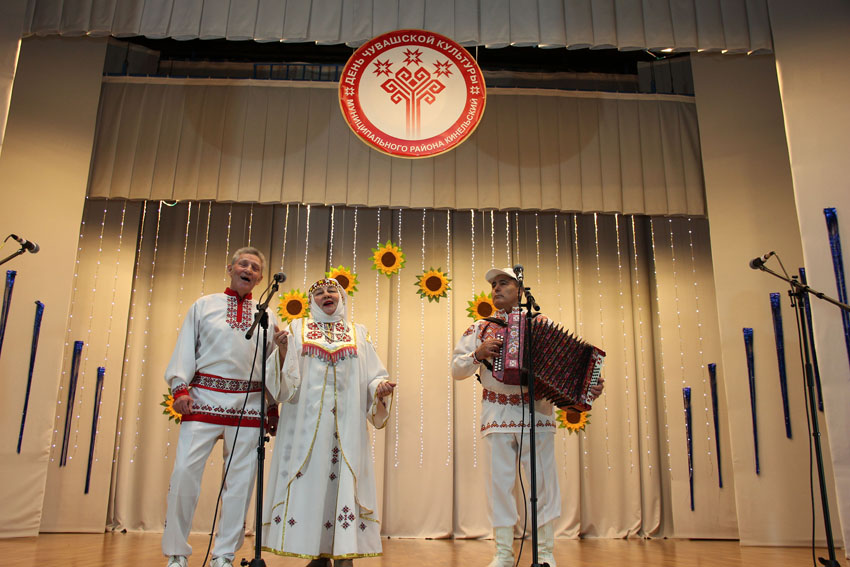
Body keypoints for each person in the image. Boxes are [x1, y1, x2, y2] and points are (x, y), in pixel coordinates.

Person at [452, 267, 604, 567]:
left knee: (544, 485)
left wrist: (586, 386)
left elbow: (567, 366)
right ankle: (504, 554)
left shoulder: (542, 324)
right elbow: (457, 370)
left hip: (539, 416)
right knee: (499, 485)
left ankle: (545, 554)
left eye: (504, 283)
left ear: (520, 290)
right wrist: (478, 354)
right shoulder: (480, 328)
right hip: (496, 416)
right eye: (493, 285)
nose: (496, 289)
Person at [263, 277, 396, 567]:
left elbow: (373, 374)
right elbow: (283, 382)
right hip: (306, 427)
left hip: (346, 428)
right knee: (313, 483)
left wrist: (380, 388)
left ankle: (344, 553)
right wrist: (283, 350)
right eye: (320, 292)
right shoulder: (297, 328)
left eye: (331, 290)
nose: (326, 295)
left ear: (342, 298)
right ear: (312, 301)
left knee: (343, 483)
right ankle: (318, 553)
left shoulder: (358, 332)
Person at [162, 247, 280, 567]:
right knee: (185, 474)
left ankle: (224, 555)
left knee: (240, 483)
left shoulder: (268, 316)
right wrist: (179, 387)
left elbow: (272, 365)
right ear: (230, 268)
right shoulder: (204, 305)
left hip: (248, 405)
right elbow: (186, 346)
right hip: (203, 399)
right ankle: (176, 554)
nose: (249, 269)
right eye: (243, 263)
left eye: (255, 268)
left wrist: (271, 407)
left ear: (259, 278)